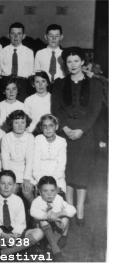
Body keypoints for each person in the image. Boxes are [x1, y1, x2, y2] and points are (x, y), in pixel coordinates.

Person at [51, 47, 103, 226]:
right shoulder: (59, 84)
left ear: (82, 62)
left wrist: (81, 129)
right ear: (65, 64)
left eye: (76, 61)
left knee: (82, 172)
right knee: (68, 171)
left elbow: (95, 110)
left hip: (85, 133)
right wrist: (64, 128)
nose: (72, 65)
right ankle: (70, 208)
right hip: (65, 133)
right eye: (69, 62)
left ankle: (80, 209)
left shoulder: (95, 84)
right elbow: (56, 108)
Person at [0, 170, 44, 256]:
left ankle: (7, 251)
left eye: (10, 184)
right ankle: (17, 250)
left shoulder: (18, 200)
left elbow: (21, 224)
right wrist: (2, 234)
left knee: (39, 232)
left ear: (14, 186)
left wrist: (14, 236)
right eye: (3, 183)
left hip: (15, 233)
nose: (6, 187)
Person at [30, 176, 76, 261]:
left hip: (55, 228)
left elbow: (73, 210)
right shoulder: (37, 201)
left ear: (56, 191)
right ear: (40, 192)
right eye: (45, 191)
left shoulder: (58, 199)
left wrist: (59, 213)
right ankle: (55, 249)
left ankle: (49, 247)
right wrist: (47, 216)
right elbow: (33, 212)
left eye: (52, 191)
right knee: (43, 221)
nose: (49, 194)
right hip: (42, 229)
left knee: (66, 218)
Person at [1, 110, 34, 203]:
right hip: (11, 171)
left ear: (26, 123)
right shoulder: (6, 137)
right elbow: (5, 160)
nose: (20, 125)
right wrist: (10, 179)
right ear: (11, 124)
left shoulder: (30, 137)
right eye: (16, 122)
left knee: (27, 191)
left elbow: (30, 160)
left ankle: (36, 213)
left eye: (23, 122)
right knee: (12, 190)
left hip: (26, 172)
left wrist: (26, 178)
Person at [0, 22, 34, 102]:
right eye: (13, 33)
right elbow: (0, 69)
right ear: (8, 35)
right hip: (7, 82)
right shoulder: (3, 51)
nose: (15, 36)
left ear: (23, 36)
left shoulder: (29, 52)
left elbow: (31, 71)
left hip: (23, 84)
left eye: (19, 34)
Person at [32, 114, 67, 193]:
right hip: (39, 176)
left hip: (57, 177)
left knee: (56, 191)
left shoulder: (61, 141)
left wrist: (52, 181)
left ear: (56, 127)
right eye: (45, 126)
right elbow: (35, 163)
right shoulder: (38, 139)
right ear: (41, 128)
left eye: (51, 126)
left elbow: (61, 165)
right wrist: (42, 180)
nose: (48, 129)